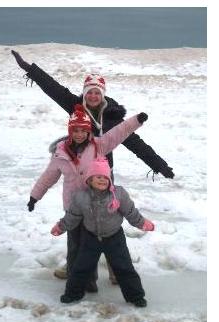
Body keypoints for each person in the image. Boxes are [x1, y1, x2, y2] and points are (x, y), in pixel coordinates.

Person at [11, 50, 174, 280]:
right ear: (85, 94)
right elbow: (54, 89)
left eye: (97, 92)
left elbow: (136, 143)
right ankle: (74, 266)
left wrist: (160, 165)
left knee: (110, 222)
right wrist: (31, 70)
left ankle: (116, 269)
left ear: (103, 95)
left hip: (104, 178)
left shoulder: (113, 119)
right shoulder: (76, 108)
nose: (93, 96)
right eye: (90, 92)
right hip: (78, 175)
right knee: (75, 221)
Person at [27, 104, 148, 292]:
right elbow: (48, 176)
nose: (79, 134)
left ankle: (100, 277)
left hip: (96, 205)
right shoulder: (60, 153)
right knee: (75, 245)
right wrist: (35, 196)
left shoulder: (98, 145)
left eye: (83, 131)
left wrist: (136, 120)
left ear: (88, 131)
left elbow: (118, 132)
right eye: (75, 131)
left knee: (91, 248)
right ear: (70, 131)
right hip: (73, 207)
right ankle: (81, 282)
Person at [51, 157, 154, 307]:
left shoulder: (118, 194)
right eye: (98, 177)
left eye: (105, 177)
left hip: (114, 237)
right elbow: (73, 216)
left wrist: (142, 223)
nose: (103, 180)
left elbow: (130, 212)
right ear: (89, 180)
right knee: (81, 267)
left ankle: (136, 297)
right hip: (90, 237)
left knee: (124, 268)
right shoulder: (81, 197)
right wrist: (61, 226)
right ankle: (72, 294)